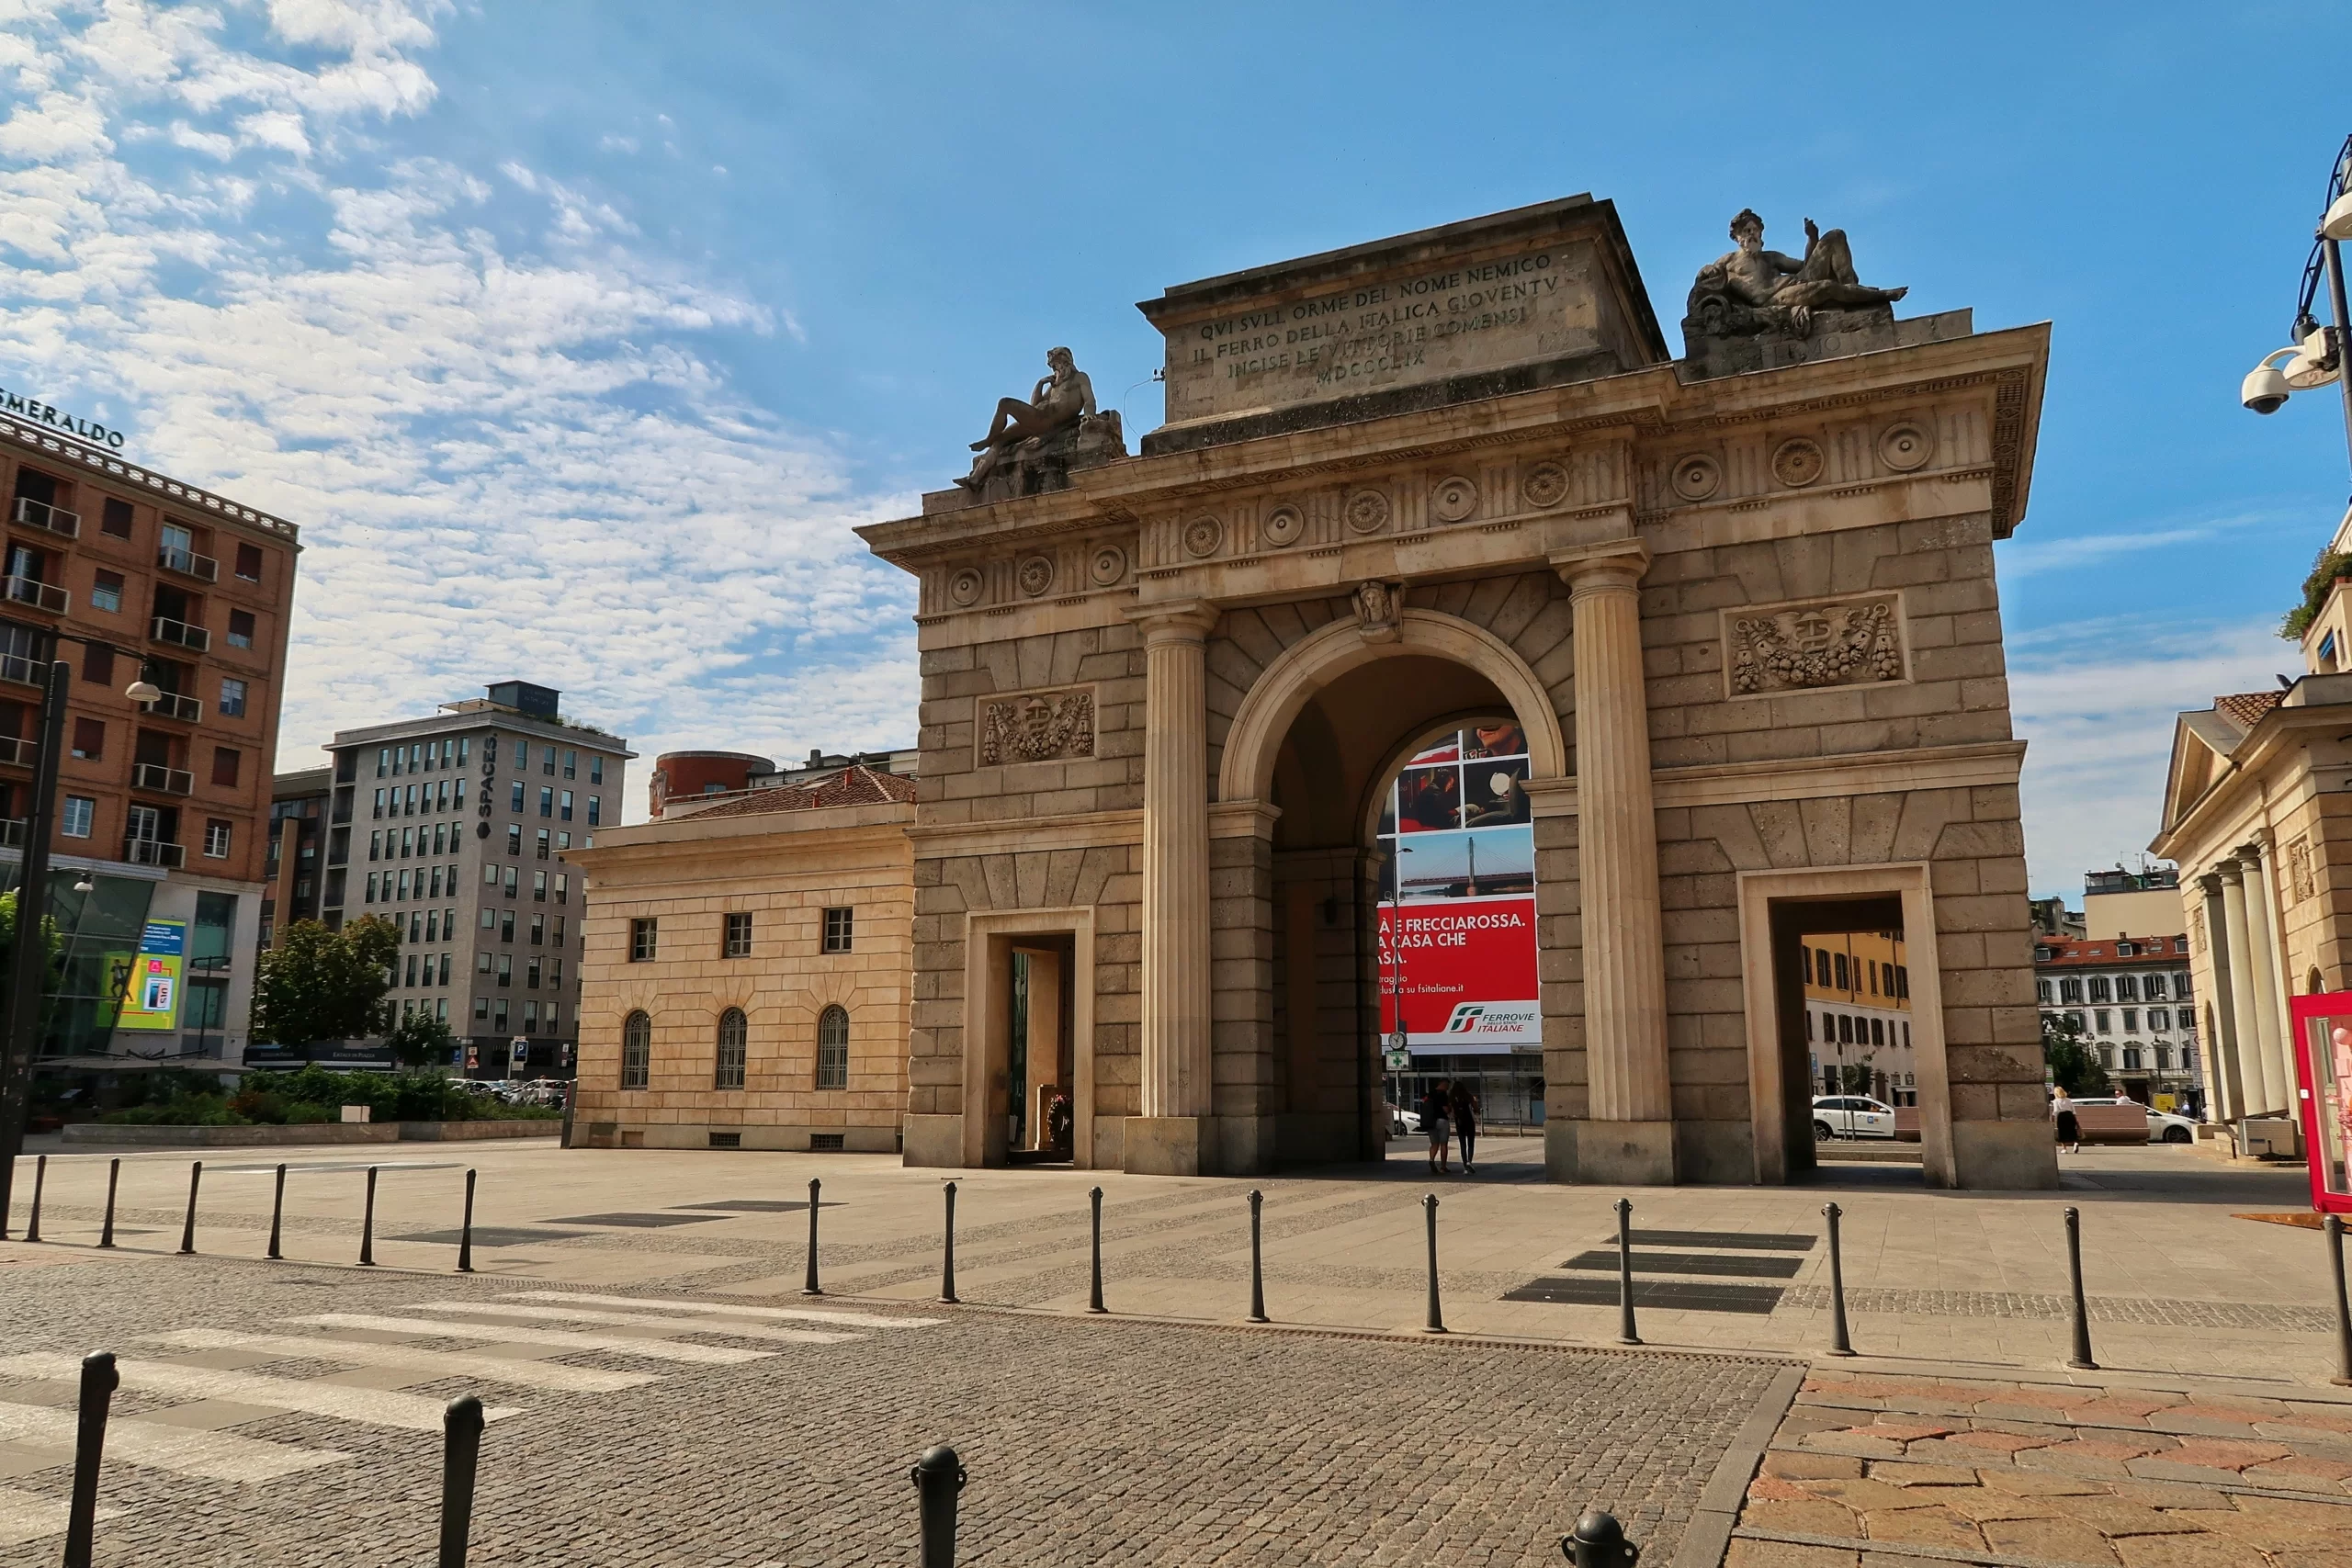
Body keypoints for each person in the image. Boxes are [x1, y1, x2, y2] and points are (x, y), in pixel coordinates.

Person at [956, 346, 1096, 491]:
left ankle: (987, 440)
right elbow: (1034, 405)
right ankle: (974, 479)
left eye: (1055, 365)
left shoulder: (1079, 378)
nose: (1054, 369)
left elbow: (1089, 400)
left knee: (1004, 403)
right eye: (1052, 366)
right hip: (1036, 419)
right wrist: (1040, 384)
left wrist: (1088, 415)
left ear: (1065, 361)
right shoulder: (1055, 385)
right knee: (1000, 441)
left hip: (1045, 420)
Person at [1450, 1078, 1481, 1175]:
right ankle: (1469, 1162)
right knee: (1470, 1143)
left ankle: (1465, 1166)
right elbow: (1476, 1109)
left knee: (1462, 1144)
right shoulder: (1468, 1096)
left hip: (1459, 1122)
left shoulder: (1451, 1097)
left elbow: (1452, 1112)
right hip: (1469, 1121)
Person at [1420, 1078, 1452, 1175]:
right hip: (1442, 1121)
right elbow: (1446, 1110)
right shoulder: (1443, 1095)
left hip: (1431, 1122)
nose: (1448, 1087)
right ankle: (1443, 1167)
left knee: (1434, 1144)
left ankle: (1431, 1159)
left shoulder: (1430, 1094)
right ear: (1443, 1084)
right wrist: (1450, 1108)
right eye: (1447, 1085)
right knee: (1443, 1144)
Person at [2052, 1088, 2080, 1155]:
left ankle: (2064, 1148)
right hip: (2070, 1115)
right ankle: (2075, 1142)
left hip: (2062, 1116)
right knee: (2072, 1130)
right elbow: (2073, 1110)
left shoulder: (2056, 1101)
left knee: (2062, 1132)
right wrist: (2075, 1119)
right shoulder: (2069, 1100)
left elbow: (2056, 1110)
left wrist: (2053, 1117)